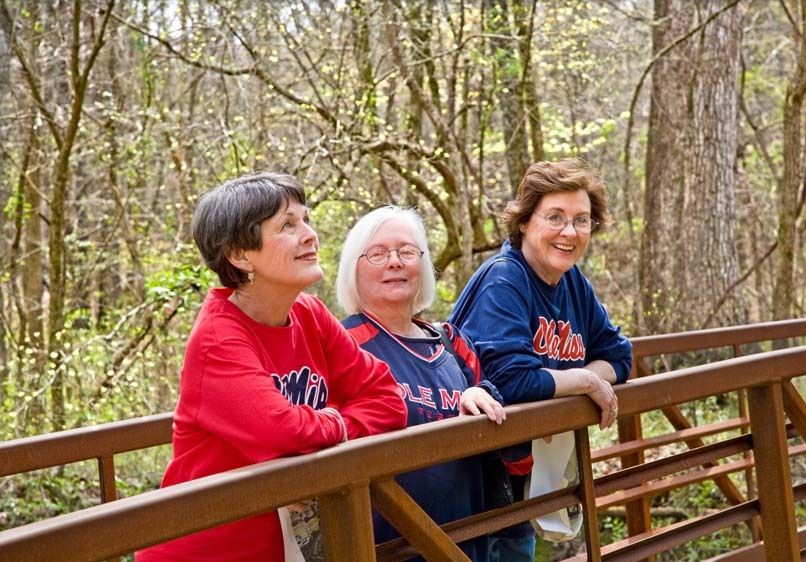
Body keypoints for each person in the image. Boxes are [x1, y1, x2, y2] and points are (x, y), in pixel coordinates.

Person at [136, 173, 407, 562]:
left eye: (306, 219)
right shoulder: (219, 337)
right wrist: (333, 427)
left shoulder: (310, 314)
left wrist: (324, 433)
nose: (310, 235)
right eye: (287, 226)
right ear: (240, 254)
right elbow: (282, 432)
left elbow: (388, 399)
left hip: (282, 548)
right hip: (204, 549)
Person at [449, 159, 632, 561]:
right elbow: (512, 383)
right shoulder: (504, 280)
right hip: (472, 486)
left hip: (521, 479)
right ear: (525, 222)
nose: (570, 232)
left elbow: (619, 355)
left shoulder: (571, 282)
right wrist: (585, 381)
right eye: (555, 217)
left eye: (582, 220)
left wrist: (589, 376)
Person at [336, 206, 506, 562]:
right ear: (354, 268)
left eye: (407, 251)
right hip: (387, 548)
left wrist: (480, 393)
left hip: (467, 540)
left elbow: (494, 396)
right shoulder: (341, 344)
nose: (394, 262)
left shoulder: (450, 340)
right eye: (377, 253)